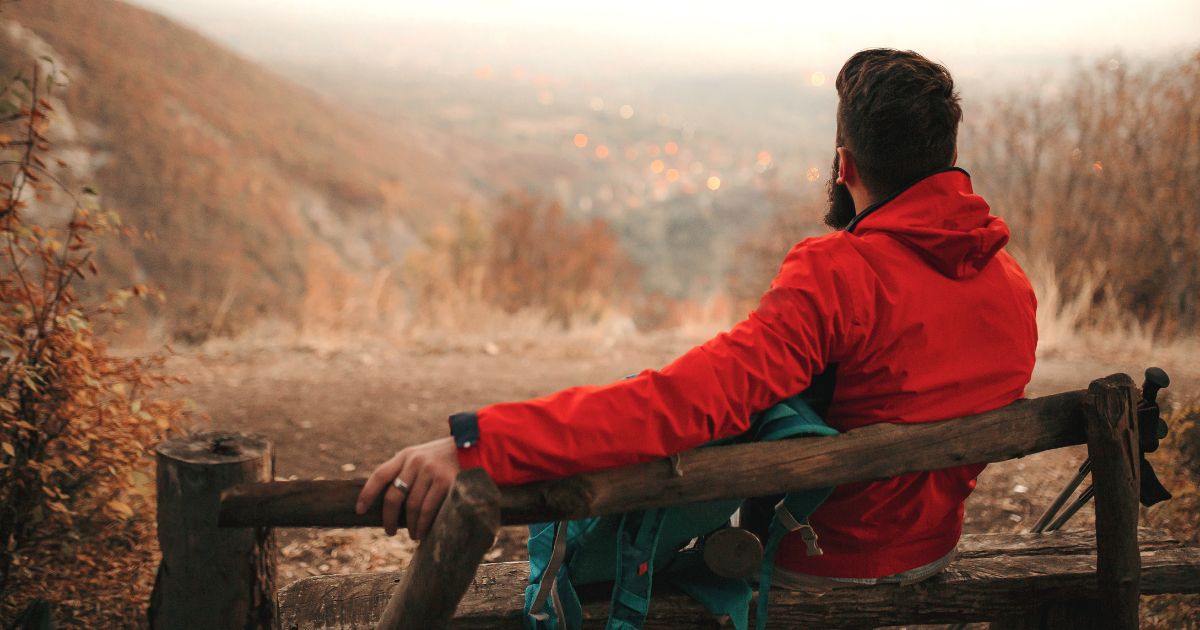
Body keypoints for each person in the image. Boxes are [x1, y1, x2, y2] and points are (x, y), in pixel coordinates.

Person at [357, 48, 1037, 586]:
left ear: (844, 164)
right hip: (934, 555)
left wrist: (480, 443)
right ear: (948, 160)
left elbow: (681, 406)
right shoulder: (1012, 283)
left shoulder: (841, 275)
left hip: (821, 569)